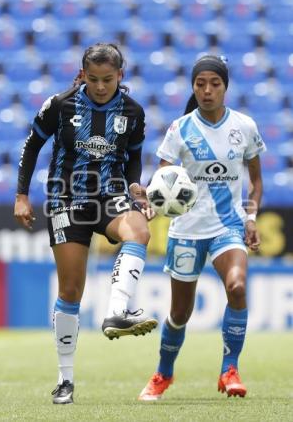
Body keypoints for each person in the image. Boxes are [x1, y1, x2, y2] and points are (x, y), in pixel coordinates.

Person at [14, 43, 157, 404]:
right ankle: (65, 380)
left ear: (120, 76)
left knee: (139, 230)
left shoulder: (133, 112)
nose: (100, 86)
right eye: (93, 79)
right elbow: (32, 146)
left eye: (107, 79)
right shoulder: (60, 105)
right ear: (82, 74)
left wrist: (136, 187)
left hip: (111, 195)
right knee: (70, 291)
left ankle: (115, 312)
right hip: (67, 198)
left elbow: (134, 156)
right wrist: (21, 195)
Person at [138, 54, 266, 401]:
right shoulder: (181, 129)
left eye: (215, 84)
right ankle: (163, 373)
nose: (207, 91)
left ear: (226, 87)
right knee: (180, 313)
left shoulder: (245, 127)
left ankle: (230, 369)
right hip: (186, 231)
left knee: (237, 287)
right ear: (193, 87)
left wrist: (250, 217)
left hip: (228, 226)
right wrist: (150, 203)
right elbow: (161, 183)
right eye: (200, 84)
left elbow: (256, 182)